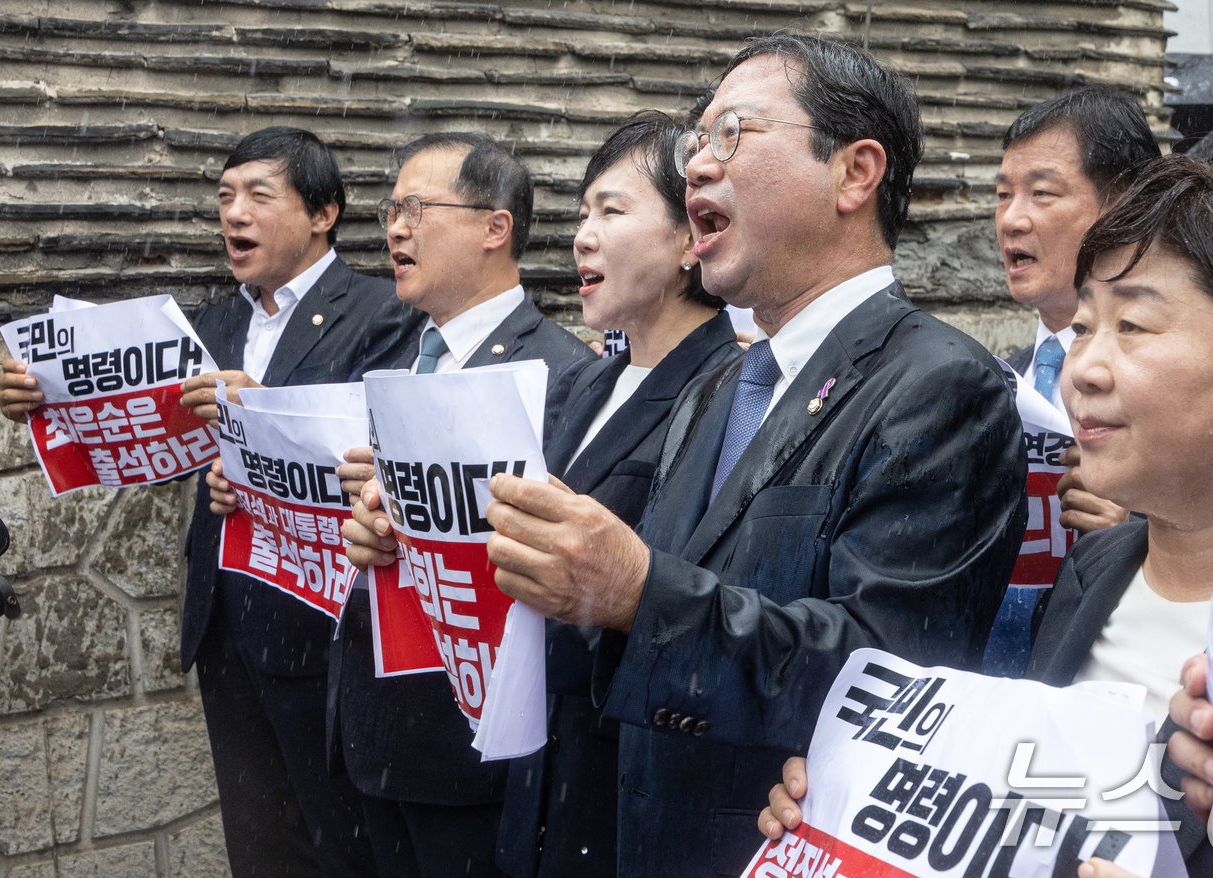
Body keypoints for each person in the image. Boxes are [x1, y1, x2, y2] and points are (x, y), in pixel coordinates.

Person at [350, 33, 1027, 876]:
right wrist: (442, 541)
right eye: (699, 142)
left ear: (855, 172)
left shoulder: (938, 384)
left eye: (733, 133)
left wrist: (638, 590)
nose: (699, 165)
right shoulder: (722, 387)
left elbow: (890, 683)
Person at [758, 155, 1213, 877]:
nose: (1083, 367)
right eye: (1085, 325)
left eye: (1135, 326)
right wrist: (846, 810)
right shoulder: (1091, 569)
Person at [0, 126, 421, 876]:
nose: (235, 214)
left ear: (323, 212)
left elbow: (388, 450)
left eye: (260, 195)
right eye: (224, 197)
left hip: (327, 630)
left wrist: (260, 415)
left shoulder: (382, 313)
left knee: (343, 845)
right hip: (229, 626)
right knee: (260, 848)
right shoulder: (209, 324)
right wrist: (45, 400)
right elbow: (145, 435)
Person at [207, 132, 592, 878]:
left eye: (416, 208)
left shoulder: (556, 376)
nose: (395, 229)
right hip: (367, 735)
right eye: (391, 210)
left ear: (495, 227)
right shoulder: (395, 362)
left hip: (467, 759)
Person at [495, 110, 742, 878]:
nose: (582, 236)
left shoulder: (734, 392)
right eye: (580, 213)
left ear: (685, 240)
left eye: (612, 210)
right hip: (537, 764)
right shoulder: (581, 381)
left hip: (630, 774)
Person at [983, 87, 1161, 676]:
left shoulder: (1179, 390)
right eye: (1003, 195)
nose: (1012, 219)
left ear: (1124, 206)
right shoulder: (998, 381)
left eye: (1042, 193)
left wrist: (1134, 534)